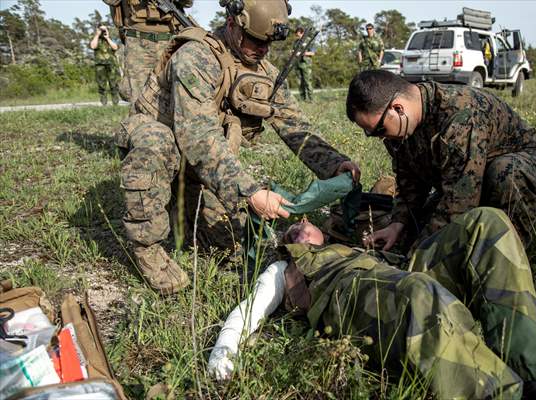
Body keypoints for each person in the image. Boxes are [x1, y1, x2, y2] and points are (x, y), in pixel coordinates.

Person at [116, 0, 360, 294]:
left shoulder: (264, 71)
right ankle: (147, 248)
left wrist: (335, 164)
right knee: (155, 142)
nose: (263, 50)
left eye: (268, 44)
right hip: (168, 144)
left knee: (229, 244)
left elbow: (295, 127)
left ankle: (182, 204)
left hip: (200, 167)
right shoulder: (195, 57)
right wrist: (250, 191)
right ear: (232, 24)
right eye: (256, 41)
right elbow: (198, 136)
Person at [208, 208, 536, 399]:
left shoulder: (346, 238)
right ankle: (507, 394)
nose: (298, 227)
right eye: (289, 233)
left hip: (400, 270)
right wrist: (223, 355)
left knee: (487, 222)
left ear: (322, 230)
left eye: (303, 221)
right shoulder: (284, 268)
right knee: (418, 294)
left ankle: (533, 376)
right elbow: (248, 311)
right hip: (357, 295)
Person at [345, 69, 536, 251]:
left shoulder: (459, 114)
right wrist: (398, 224)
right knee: (414, 230)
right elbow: (410, 181)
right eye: (371, 133)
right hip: (466, 183)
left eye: (378, 130)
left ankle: (511, 254)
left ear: (398, 108)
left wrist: (417, 259)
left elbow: (461, 201)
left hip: (521, 173)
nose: (380, 137)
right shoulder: (400, 128)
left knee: (505, 173)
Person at [103, 0, 194, 103]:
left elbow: (188, 3)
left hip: (171, 41)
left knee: (177, 93)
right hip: (138, 44)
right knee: (138, 95)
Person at [89, 25, 120, 106]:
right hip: (100, 65)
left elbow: (115, 47)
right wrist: (97, 35)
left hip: (111, 64)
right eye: (101, 29)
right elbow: (93, 46)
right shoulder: (96, 39)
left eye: (104, 29)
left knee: (113, 84)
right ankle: (104, 103)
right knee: (101, 85)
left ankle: (115, 103)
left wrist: (107, 38)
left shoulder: (110, 39)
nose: (103, 31)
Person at [293, 27, 315, 102]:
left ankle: (311, 99)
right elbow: (294, 51)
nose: (297, 36)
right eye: (296, 35)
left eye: (298, 34)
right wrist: (293, 52)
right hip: (297, 63)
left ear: (302, 33)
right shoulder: (296, 42)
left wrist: (302, 53)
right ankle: (303, 99)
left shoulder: (309, 41)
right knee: (299, 82)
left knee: (307, 82)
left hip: (306, 64)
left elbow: (312, 53)